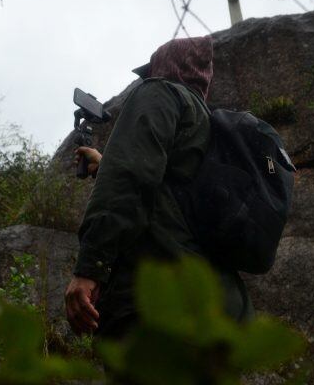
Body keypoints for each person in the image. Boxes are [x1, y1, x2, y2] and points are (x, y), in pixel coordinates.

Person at [64, 36, 253, 339]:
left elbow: (128, 179)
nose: (148, 78)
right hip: (217, 308)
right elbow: (170, 195)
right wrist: (107, 164)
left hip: (159, 304)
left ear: (165, 66)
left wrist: (90, 268)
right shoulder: (209, 124)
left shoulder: (159, 93)